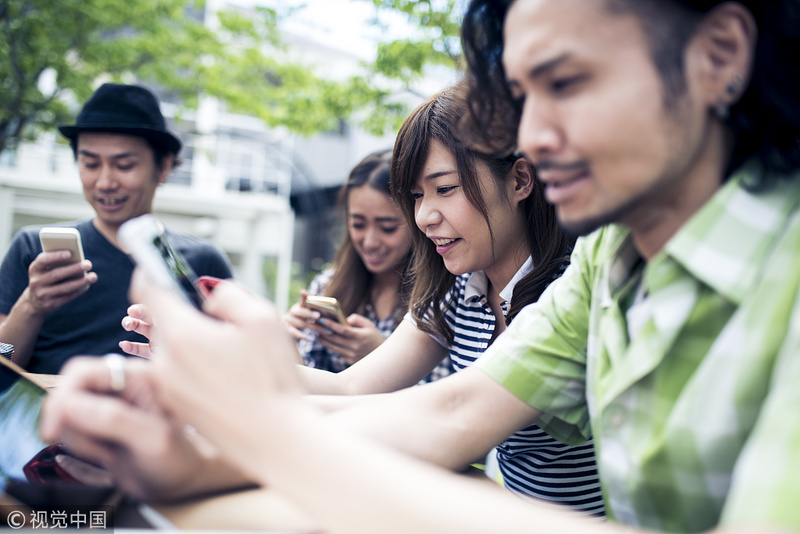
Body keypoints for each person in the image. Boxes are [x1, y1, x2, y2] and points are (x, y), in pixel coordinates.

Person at [40, 0, 800, 532]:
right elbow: (450, 412)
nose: (534, 135)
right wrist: (201, 447)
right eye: (524, 96)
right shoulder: (608, 256)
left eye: (567, 83)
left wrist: (255, 429)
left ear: (720, 56)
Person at [0, 83, 232, 374]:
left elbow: (229, 371)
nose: (105, 182)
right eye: (90, 164)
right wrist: (31, 305)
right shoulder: (34, 250)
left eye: (124, 165)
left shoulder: (201, 262)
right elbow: (2, 369)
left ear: (163, 167)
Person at [283, 149, 449, 383]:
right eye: (358, 225)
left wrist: (382, 358)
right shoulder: (328, 285)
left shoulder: (441, 296)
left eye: (388, 227)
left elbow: (449, 397)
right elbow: (305, 384)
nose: (370, 242)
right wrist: (287, 341)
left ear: (416, 220)